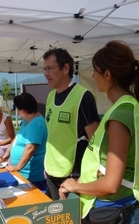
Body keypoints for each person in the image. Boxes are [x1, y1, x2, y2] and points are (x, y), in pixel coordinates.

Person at [58, 40, 139, 224]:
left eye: (95, 71)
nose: (93, 76)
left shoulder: (120, 115)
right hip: (124, 209)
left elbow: (111, 184)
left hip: (120, 214)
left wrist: (75, 186)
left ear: (107, 74)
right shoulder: (127, 106)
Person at [43, 48, 100, 200]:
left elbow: (95, 141)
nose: (45, 73)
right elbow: (52, 134)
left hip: (72, 176)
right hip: (50, 171)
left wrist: (82, 179)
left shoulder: (83, 96)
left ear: (65, 68)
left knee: (75, 222)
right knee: (57, 219)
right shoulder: (50, 97)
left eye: (50, 68)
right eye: (44, 69)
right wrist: (46, 166)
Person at [2, 92, 48, 191]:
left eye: (18, 109)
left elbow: (30, 148)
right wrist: (8, 152)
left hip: (32, 176)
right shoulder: (25, 121)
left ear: (24, 109)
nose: (17, 111)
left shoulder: (36, 124)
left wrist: (18, 167)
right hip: (23, 174)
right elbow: (17, 137)